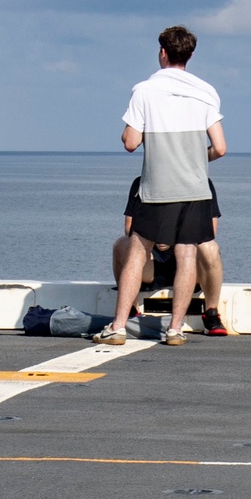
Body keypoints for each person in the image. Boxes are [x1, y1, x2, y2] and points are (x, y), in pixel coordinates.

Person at [94, 26, 226, 346]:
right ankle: (176, 329)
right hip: (195, 187)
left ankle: (120, 326)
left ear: (162, 53)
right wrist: (193, 159)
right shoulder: (206, 91)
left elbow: (130, 142)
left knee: (138, 252)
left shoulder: (144, 90)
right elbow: (220, 148)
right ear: (190, 56)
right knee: (187, 256)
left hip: (157, 187)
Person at [113, 176, 228, 335]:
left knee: (210, 247)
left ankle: (211, 314)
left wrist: (172, 238)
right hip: (152, 263)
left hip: (189, 260)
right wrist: (154, 239)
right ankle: (131, 311)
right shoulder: (142, 182)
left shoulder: (202, 182)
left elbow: (211, 230)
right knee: (122, 245)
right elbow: (129, 228)